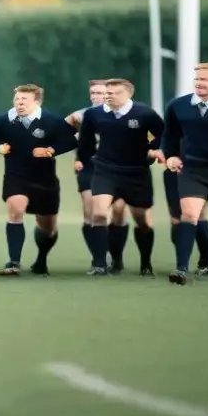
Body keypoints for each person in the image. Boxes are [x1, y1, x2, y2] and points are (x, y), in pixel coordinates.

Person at [76, 78, 164, 277]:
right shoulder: (94, 114)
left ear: (128, 94)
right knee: (98, 214)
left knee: (142, 220)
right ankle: (99, 264)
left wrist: (153, 151)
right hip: (105, 170)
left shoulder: (145, 113)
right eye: (107, 93)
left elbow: (164, 135)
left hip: (136, 172)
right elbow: (85, 142)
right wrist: (85, 160)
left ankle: (145, 263)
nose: (109, 96)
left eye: (114, 93)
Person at [0, 84, 77, 276]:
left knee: (48, 226)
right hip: (16, 175)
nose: (19, 103)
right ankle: (13, 262)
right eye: (17, 99)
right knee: (15, 208)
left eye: (24, 100)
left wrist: (50, 150)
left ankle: (41, 259)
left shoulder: (52, 121)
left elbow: (70, 141)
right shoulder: (4, 121)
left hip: (44, 179)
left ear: (37, 102)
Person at [162, 63, 208, 285]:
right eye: (197, 79)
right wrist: (171, 156)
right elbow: (170, 136)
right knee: (190, 214)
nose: (198, 83)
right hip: (193, 169)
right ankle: (181, 269)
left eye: (204, 79)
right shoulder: (178, 106)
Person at [67, 79, 131, 272]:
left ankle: (117, 258)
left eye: (100, 93)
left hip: (119, 169)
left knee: (118, 213)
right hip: (90, 167)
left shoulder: (126, 114)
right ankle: (99, 260)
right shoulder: (80, 116)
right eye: (93, 93)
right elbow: (59, 133)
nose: (96, 96)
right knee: (92, 213)